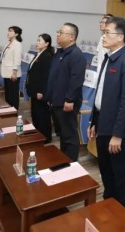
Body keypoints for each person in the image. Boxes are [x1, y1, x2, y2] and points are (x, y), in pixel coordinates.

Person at [87, 16, 125, 212]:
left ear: (120, 37)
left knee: (120, 174)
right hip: (102, 122)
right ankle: (109, 206)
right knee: (106, 170)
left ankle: (124, 214)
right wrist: (93, 121)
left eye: (107, 32)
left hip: (116, 128)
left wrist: (118, 134)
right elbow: (100, 93)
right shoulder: (108, 58)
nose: (103, 36)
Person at [46, 23, 86, 161]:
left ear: (71, 37)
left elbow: (76, 80)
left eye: (61, 32)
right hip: (57, 100)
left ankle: (71, 164)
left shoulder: (76, 55)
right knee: (63, 134)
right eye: (58, 31)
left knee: (69, 135)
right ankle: (64, 160)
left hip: (66, 103)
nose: (58, 34)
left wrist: (70, 99)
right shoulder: (60, 52)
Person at [25, 33, 54, 143]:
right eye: (37, 40)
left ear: (46, 43)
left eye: (39, 41)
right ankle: (38, 135)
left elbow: (46, 76)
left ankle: (45, 137)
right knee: (36, 114)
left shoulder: (47, 56)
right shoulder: (39, 54)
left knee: (42, 115)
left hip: (40, 92)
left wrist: (41, 91)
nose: (37, 43)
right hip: (34, 90)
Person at [0, 26, 23, 110]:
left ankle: (14, 111)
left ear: (16, 34)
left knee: (13, 95)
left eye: (10, 31)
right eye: (8, 31)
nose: (8, 32)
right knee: (8, 94)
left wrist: (14, 72)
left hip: (13, 74)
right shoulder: (8, 43)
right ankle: (8, 110)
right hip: (6, 72)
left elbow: (17, 60)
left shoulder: (17, 44)